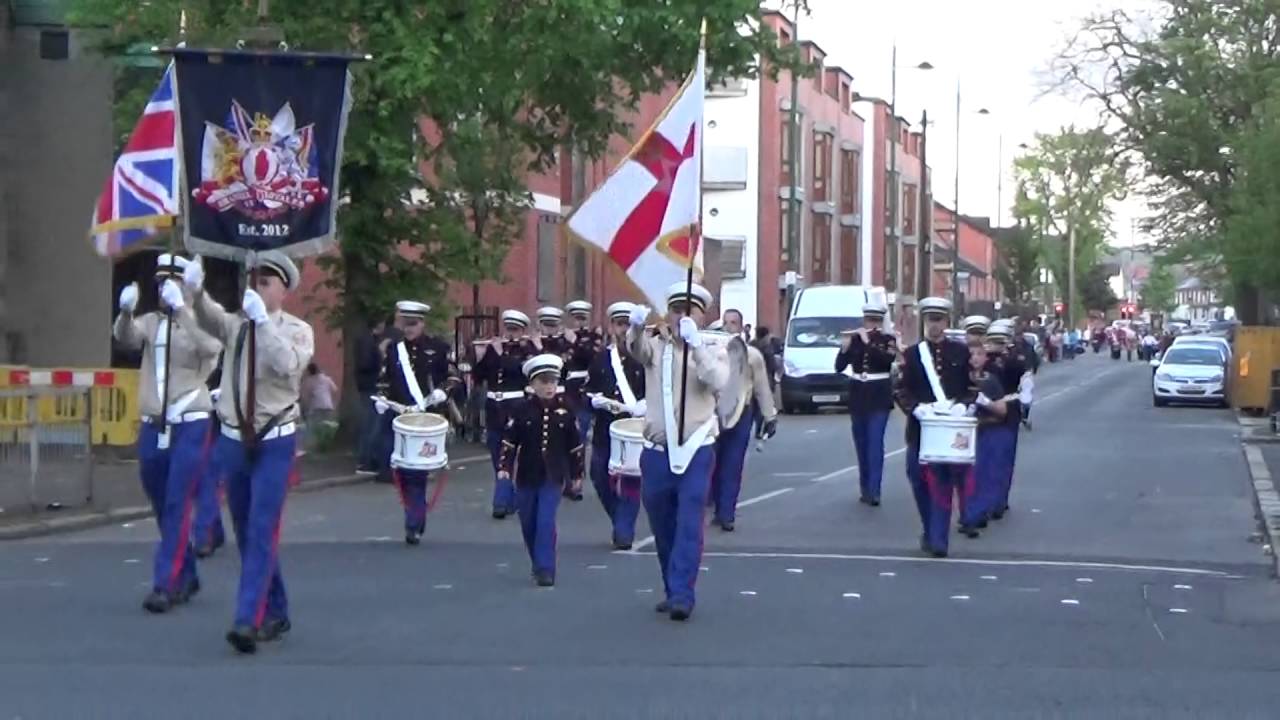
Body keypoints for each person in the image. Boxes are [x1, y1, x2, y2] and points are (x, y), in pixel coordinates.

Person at [183, 251, 313, 655]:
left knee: (261, 527)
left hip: (275, 438)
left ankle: (247, 619)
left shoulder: (298, 331)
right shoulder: (237, 325)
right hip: (234, 438)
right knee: (244, 528)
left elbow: (287, 366)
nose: (256, 289)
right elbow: (210, 319)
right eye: (252, 281)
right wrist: (196, 291)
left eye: (265, 282)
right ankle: (275, 609)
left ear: (283, 291)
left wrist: (263, 323)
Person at [113, 253, 222, 614]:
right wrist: (125, 313)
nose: (163, 290)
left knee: (177, 499)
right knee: (159, 498)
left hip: (190, 418)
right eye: (160, 283)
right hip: (154, 422)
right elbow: (126, 339)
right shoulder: (152, 322)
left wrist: (184, 313)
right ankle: (186, 574)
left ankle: (166, 583)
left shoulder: (203, 320)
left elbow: (213, 349)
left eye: (170, 282)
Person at [626, 282, 729, 621]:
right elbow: (636, 350)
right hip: (658, 450)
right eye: (675, 310)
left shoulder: (713, 348)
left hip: (696, 447)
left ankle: (683, 592)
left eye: (689, 311)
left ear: (701, 316)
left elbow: (717, 380)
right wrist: (636, 326)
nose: (680, 316)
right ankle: (672, 588)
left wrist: (696, 345)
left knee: (689, 519)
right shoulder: (657, 346)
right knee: (661, 521)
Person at [896, 297, 980, 558]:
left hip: (949, 428)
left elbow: (972, 387)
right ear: (925, 321)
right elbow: (900, 388)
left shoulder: (960, 352)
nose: (935, 325)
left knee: (942, 483)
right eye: (931, 320)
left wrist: (963, 406)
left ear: (946, 321)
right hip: (920, 429)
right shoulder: (913, 354)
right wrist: (915, 408)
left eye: (939, 319)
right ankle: (929, 528)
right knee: (919, 481)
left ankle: (938, 539)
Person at [498, 354, 585, 587]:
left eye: (553, 382)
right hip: (527, 473)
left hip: (553, 474)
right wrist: (505, 467)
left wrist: (577, 474)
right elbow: (509, 442)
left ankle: (546, 568)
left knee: (545, 521)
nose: (549, 387)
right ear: (533, 384)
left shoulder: (566, 410)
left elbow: (575, 446)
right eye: (544, 382)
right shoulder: (521, 409)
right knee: (528, 522)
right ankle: (537, 562)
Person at [376, 300, 456, 545]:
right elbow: (385, 379)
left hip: (426, 416)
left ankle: (413, 522)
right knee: (402, 469)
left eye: (413, 324)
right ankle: (414, 516)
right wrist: (382, 399)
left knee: (417, 471)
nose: (409, 329)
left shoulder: (438, 348)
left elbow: (453, 377)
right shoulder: (394, 350)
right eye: (406, 324)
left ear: (422, 323)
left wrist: (443, 391)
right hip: (401, 415)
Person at [585, 302, 647, 549]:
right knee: (599, 475)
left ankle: (624, 529)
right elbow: (588, 391)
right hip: (606, 428)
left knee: (631, 478)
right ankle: (619, 518)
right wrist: (596, 402)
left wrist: (643, 405)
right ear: (611, 327)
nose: (623, 330)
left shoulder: (644, 357)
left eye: (628, 325)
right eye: (620, 324)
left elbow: (659, 389)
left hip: (635, 427)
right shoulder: (602, 358)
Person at [710, 308, 778, 530]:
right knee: (713, 463)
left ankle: (727, 513)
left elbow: (762, 387)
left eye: (733, 323)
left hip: (742, 413)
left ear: (740, 326)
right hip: (714, 413)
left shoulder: (752, 355)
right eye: (726, 322)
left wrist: (769, 415)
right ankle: (717, 505)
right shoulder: (712, 352)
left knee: (733, 463)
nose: (729, 326)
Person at [474, 310, 536, 518]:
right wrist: (481, 357)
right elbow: (478, 376)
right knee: (496, 453)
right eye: (508, 329)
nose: (510, 334)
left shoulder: (527, 350)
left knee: (508, 454)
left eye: (515, 330)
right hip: (494, 406)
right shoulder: (494, 350)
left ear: (522, 331)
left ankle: (500, 502)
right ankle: (510, 498)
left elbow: (522, 372)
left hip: (515, 405)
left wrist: (501, 354)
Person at [835, 301, 897, 506]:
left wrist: (867, 341)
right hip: (859, 396)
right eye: (869, 320)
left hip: (879, 395)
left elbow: (886, 361)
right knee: (861, 444)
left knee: (875, 443)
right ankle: (865, 488)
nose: (872, 324)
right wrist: (844, 349)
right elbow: (839, 367)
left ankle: (875, 490)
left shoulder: (888, 340)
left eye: (876, 320)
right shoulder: (854, 340)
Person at [962, 320, 1018, 531]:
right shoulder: (960, 376)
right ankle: (971, 512)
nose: (975, 358)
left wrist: (983, 401)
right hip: (966, 430)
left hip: (991, 426)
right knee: (966, 475)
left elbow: (1002, 408)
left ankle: (979, 512)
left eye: (979, 354)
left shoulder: (993, 375)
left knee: (987, 472)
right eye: (971, 354)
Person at [563, 299, 602, 446]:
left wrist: (575, 342)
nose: (579, 322)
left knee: (580, 431)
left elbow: (592, 356)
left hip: (582, 388)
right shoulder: (563, 338)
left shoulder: (593, 337)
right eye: (576, 318)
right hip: (565, 389)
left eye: (582, 318)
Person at [354, 319, 385, 475]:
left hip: (366, 385)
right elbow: (366, 363)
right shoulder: (369, 342)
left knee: (371, 423)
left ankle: (367, 460)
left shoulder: (366, 339)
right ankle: (366, 461)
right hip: (370, 385)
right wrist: (380, 357)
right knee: (372, 424)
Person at [300, 362, 337, 429]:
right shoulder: (327, 379)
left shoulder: (309, 381)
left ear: (309, 371)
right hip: (328, 406)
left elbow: (304, 395)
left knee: (316, 427)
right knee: (327, 427)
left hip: (316, 407)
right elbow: (335, 389)